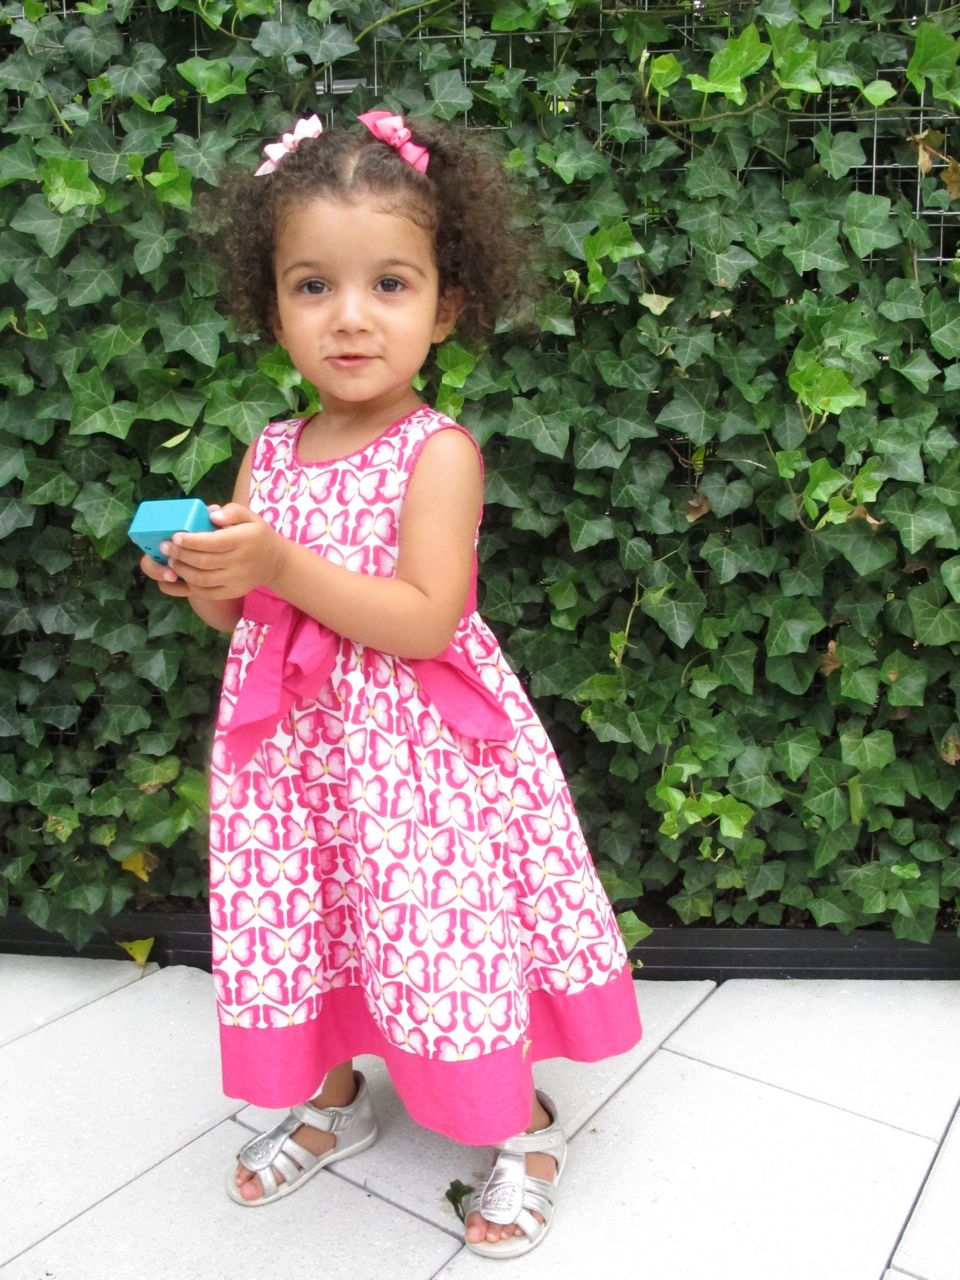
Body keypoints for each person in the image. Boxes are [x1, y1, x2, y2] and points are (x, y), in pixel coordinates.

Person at [139, 108, 642, 1259]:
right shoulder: (269, 450)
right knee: (306, 920)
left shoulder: (437, 451)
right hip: (294, 756)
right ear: (272, 306)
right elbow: (247, 611)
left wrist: (277, 563)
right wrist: (204, 574)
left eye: (390, 284)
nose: (350, 316)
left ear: (446, 306)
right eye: (313, 285)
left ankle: (523, 1129)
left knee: (434, 935)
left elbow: (423, 618)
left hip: (415, 763)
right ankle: (333, 1099)